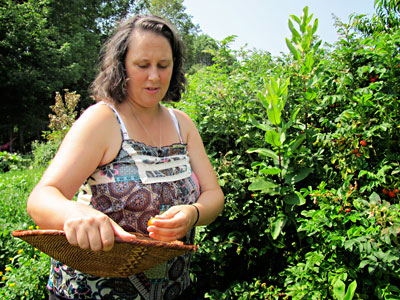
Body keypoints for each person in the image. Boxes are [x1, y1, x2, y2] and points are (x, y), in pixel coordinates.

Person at [27, 15, 224, 300]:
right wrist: (76, 214)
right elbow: (41, 198)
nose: (154, 76)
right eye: (142, 65)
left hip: (174, 289)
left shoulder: (183, 126)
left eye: (163, 65)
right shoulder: (103, 120)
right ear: (122, 67)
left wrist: (193, 214)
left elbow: (213, 195)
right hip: (91, 293)